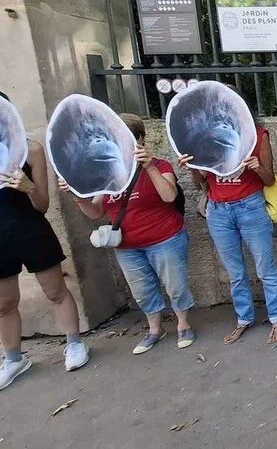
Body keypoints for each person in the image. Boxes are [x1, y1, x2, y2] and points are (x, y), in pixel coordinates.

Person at [62, 114, 195, 354]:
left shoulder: (161, 165)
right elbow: (95, 212)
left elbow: (168, 196)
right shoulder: (107, 174)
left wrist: (150, 166)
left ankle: (183, 324)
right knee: (142, 290)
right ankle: (154, 329)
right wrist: (77, 196)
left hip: (165, 238)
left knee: (175, 285)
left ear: (141, 139)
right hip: (127, 246)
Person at [0, 92, 88, 391]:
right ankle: (13, 359)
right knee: (4, 302)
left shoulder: (32, 150)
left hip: (30, 228)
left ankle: (74, 343)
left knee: (55, 291)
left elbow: (42, 205)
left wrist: (27, 186)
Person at [180, 118, 277, 345]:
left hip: (250, 206)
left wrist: (258, 167)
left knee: (265, 267)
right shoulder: (204, 138)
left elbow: (269, 179)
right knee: (234, 272)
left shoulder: (258, 135)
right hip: (218, 211)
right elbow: (200, 180)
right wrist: (192, 167)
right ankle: (243, 318)